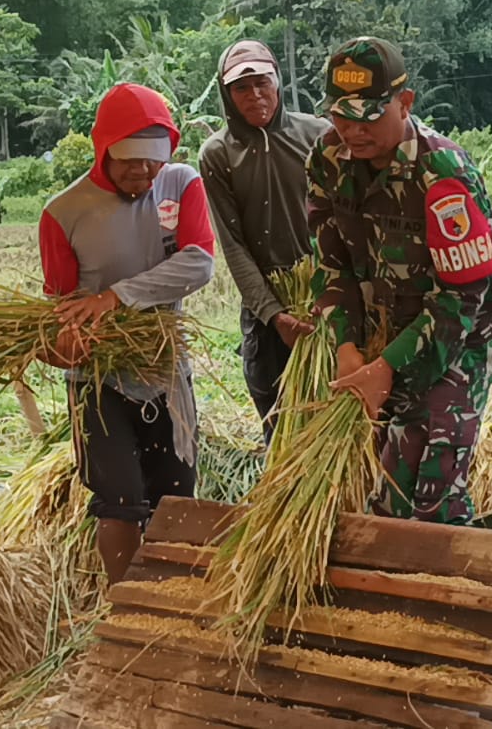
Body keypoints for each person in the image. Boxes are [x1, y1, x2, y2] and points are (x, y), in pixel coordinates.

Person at [308, 37, 492, 525]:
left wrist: (387, 367)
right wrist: (347, 346)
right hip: (381, 337)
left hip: (455, 343)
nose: (353, 130)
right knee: (389, 492)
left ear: (405, 102)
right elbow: (331, 265)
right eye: (340, 116)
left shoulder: (443, 174)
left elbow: (461, 299)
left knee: (434, 494)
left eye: (370, 116)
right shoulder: (328, 160)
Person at [38, 82, 216, 585]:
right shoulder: (64, 212)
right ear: (103, 150)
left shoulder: (181, 184)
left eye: (152, 161)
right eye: (130, 161)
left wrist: (115, 297)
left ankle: (172, 598)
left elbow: (199, 264)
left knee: (176, 497)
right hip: (98, 379)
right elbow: (61, 307)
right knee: (117, 500)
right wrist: (61, 344)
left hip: (164, 368)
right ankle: (124, 603)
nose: (143, 172)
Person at [198, 40, 330, 444]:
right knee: (280, 429)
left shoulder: (320, 136)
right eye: (241, 87)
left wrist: (332, 294)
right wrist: (275, 315)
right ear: (227, 94)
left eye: (262, 82)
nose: (255, 95)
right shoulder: (218, 155)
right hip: (266, 316)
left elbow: (344, 224)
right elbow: (234, 246)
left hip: (327, 303)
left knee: (333, 423)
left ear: (278, 82)